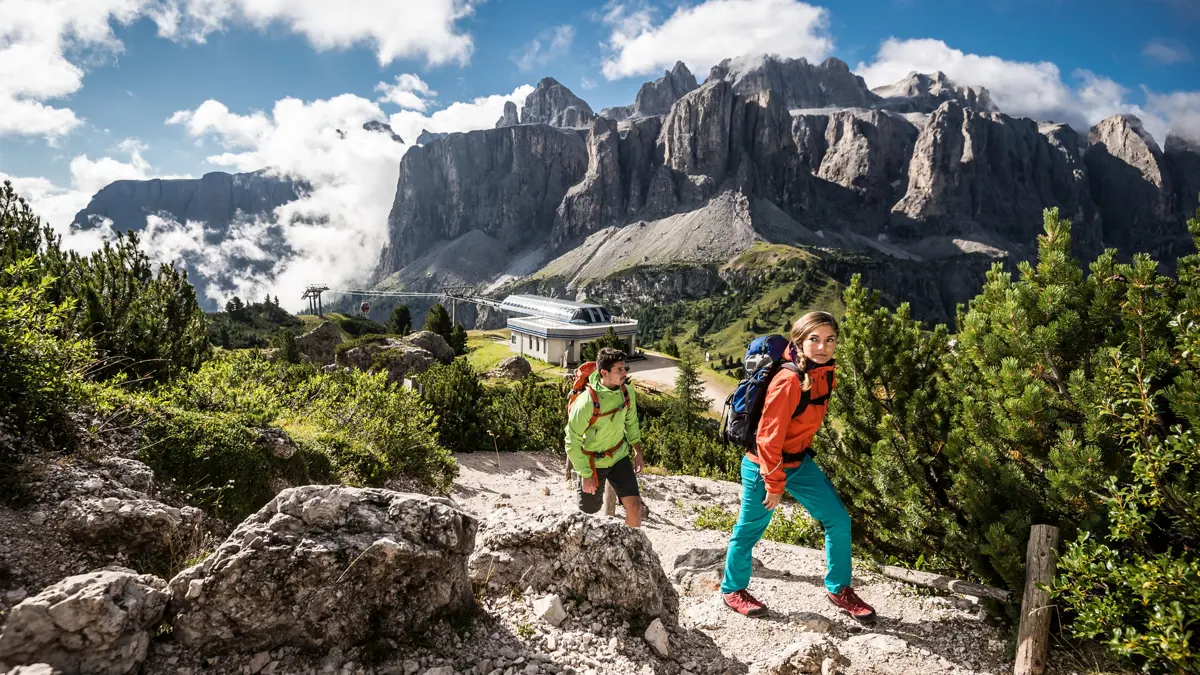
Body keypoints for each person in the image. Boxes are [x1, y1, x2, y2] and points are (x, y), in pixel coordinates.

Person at [720, 311, 877, 622]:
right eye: (814, 339)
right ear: (799, 340)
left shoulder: (825, 371)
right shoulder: (789, 380)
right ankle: (732, 589)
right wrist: (774, 483)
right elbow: (767, 438)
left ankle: (838, 587)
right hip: (763, 465)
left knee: (837, 519)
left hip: (798, 461)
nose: (822, 347)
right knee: (749, 530)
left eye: (830, 340)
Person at [565, 347, 646, 527]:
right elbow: (571, 441)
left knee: (635, 507)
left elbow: (631, 424)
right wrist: (585, 474)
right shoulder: (586, 402)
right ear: (604, 372)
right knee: (588, 515)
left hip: (618, 456)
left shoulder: (626, 393)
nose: (625, 373)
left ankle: (632, 551)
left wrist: (637, 451)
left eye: (625, 368)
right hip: (593, 463)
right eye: (619, 369)